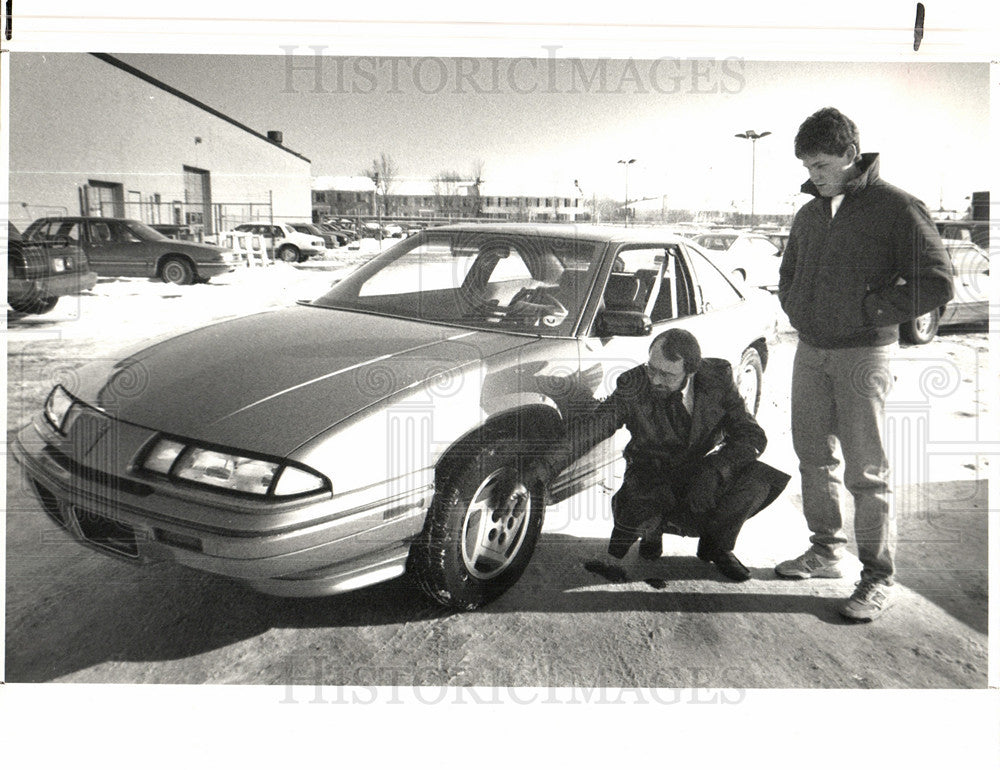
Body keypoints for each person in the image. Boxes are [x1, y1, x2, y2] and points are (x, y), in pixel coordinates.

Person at [776, 107, 954, 621]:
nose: (814, 176)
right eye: (809, 166)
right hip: (811, 350)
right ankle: (826, 550)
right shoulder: (809, 213)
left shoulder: (897, 207)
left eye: (823, 165)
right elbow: (789, 272)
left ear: (852, 156)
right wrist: (797, 307)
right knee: (813, 455)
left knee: (866, 470)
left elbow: (937, 281)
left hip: (864, 354)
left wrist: (869, 311)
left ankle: (877, 576)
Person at [546, 328, 789, 582]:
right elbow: (589, 430)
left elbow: (752, 435)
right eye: (652, 368)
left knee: (755, 480)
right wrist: (540, 470)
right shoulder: (634, 384)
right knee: (642, 502)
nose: (655, 380)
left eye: (666, 374)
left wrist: (715, 470)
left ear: (691, 371)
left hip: (701, 468)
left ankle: (718, 546)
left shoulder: (718, 377)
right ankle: (653, 532)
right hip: (651, 471)